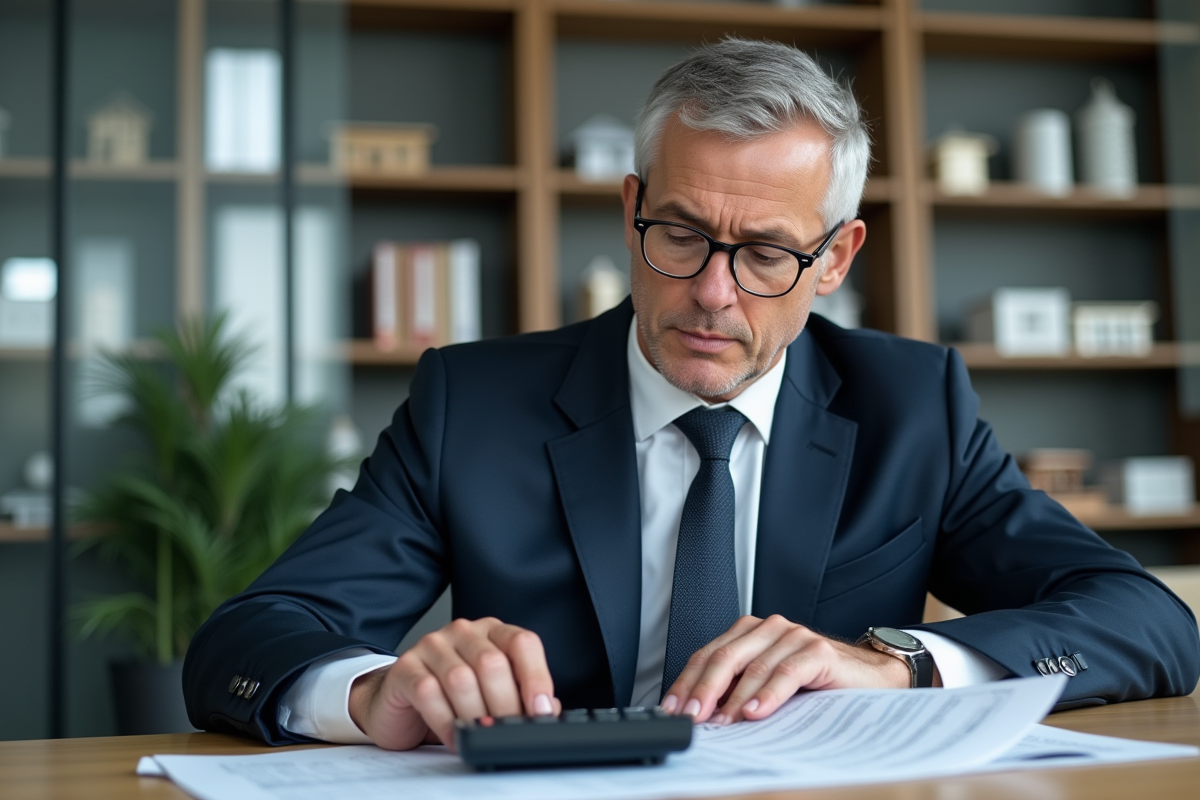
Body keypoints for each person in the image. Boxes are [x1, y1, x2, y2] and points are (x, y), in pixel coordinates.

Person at [183, 39, 1199, 749]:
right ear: (630, 213)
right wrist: (370, 689)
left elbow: (1147, 621)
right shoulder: (472, 405)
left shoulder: (911, 405)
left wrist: (900, 665)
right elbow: (249, 636)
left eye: (765, 252)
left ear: (837, 255)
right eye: (680, 234)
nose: (713, 292)